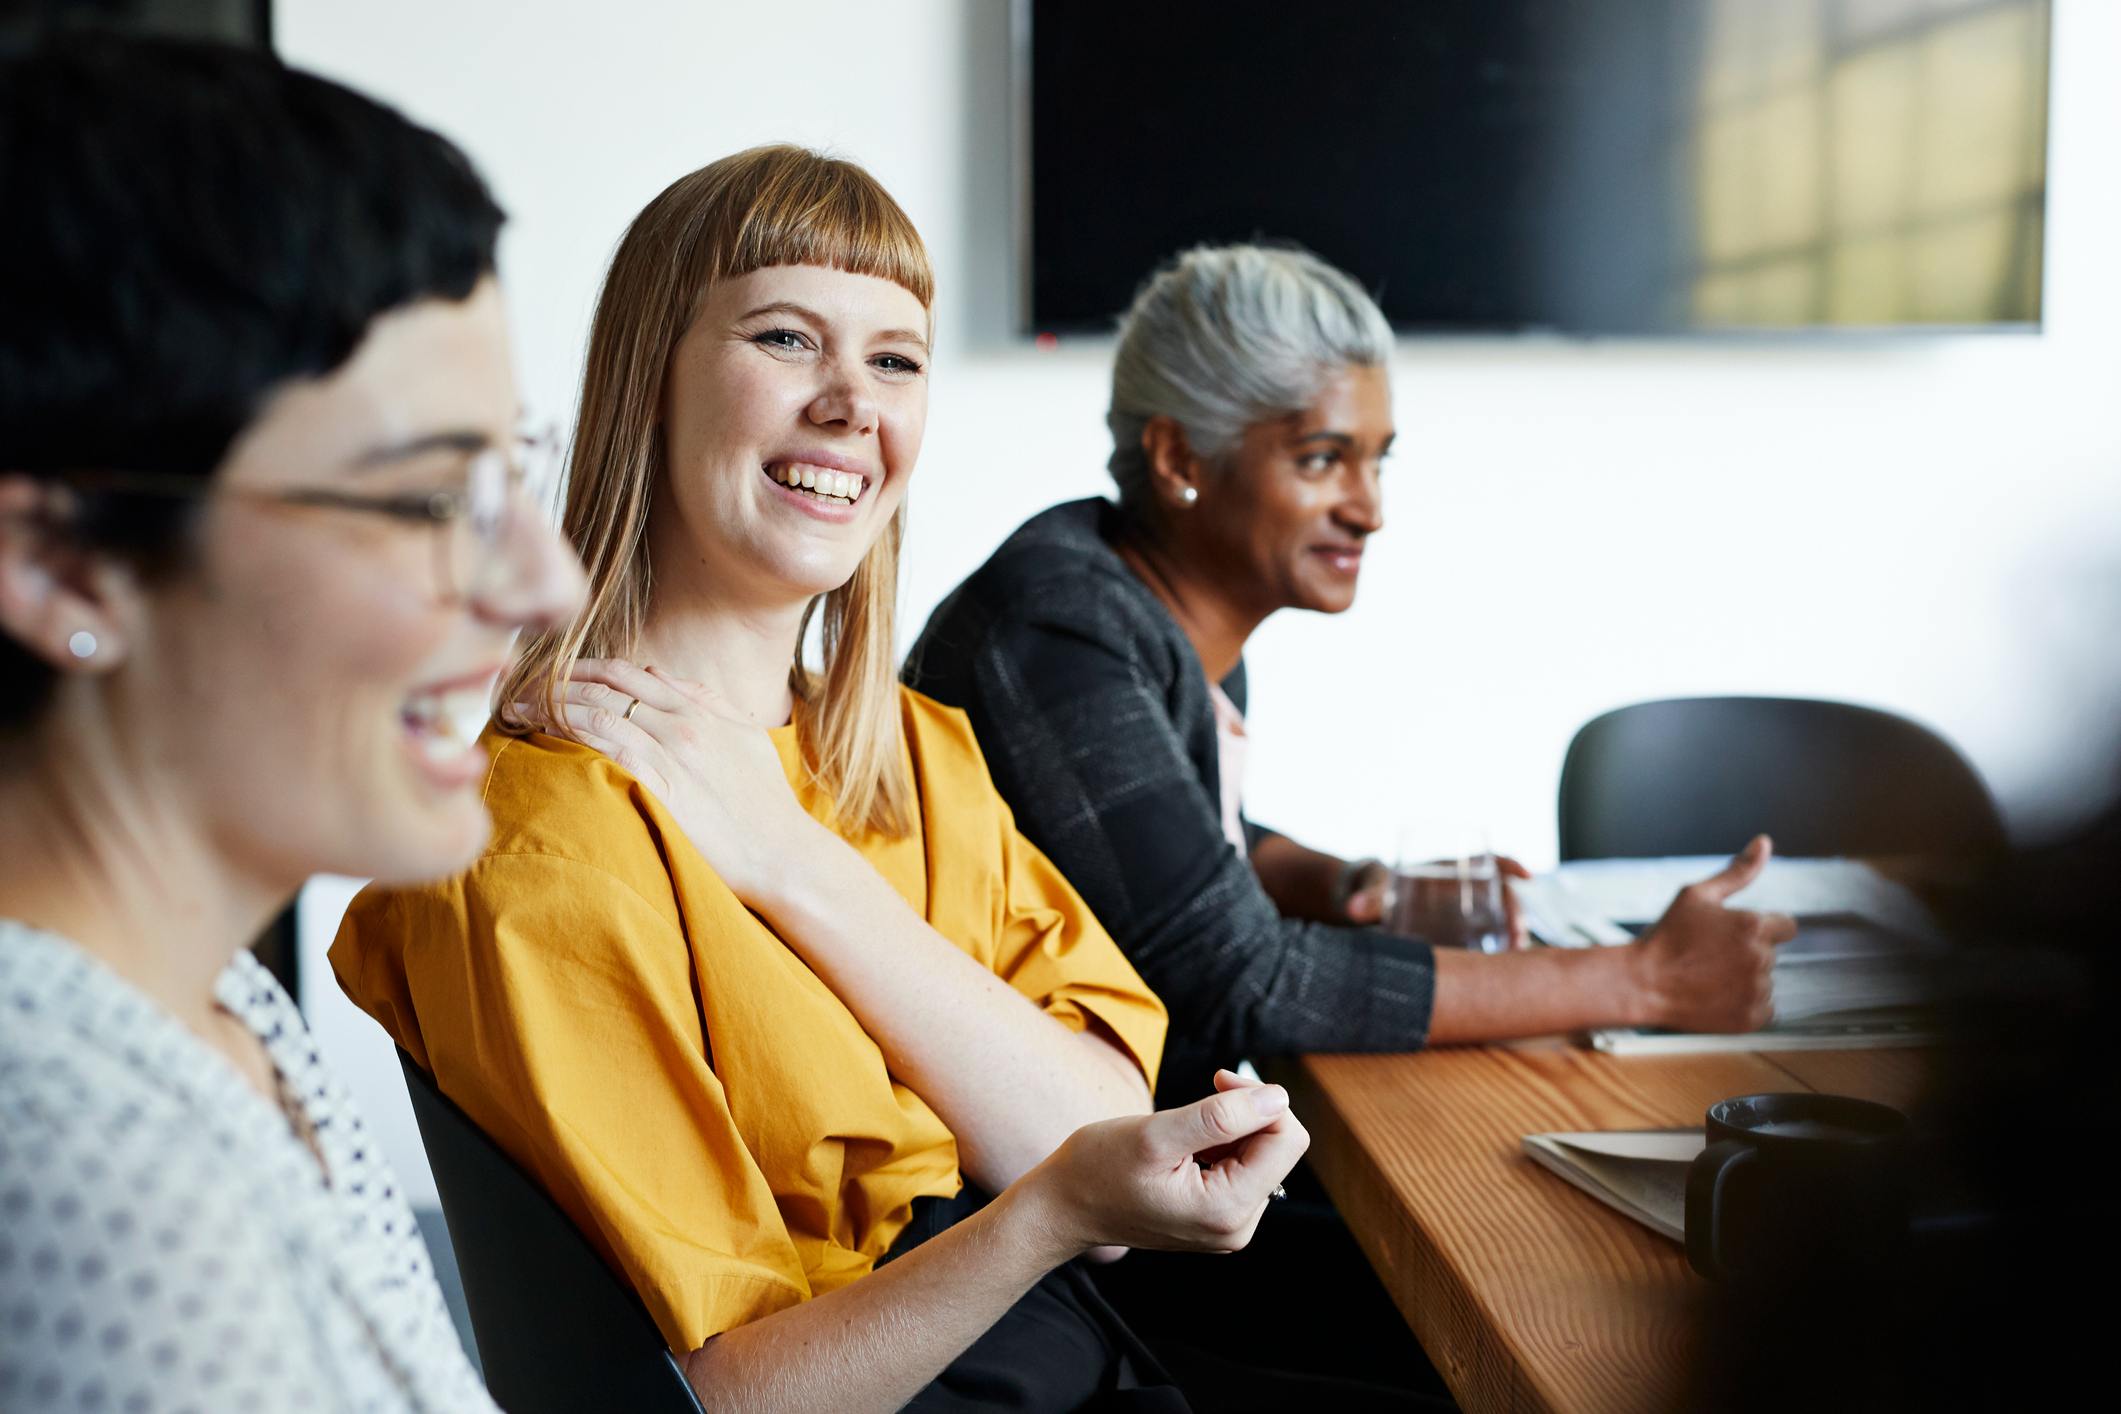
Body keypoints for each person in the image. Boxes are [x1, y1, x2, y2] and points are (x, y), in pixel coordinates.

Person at [330, 148, 1324, 1414]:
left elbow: (1094, 1117)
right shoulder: (537, 849)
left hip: (1082, 1352)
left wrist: (793, 866)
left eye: (896, 358)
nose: (855, 404)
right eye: (788, 338)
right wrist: (1049, 1212)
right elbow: (731, 1398)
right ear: (652, 382)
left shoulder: (913, 751)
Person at [0, 36, 586, 1413]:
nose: (545, 584)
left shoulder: (219, 1004)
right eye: (427, 500)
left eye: (510, 473)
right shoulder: (79, 1165)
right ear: (63, 565)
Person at [907, 242, 1798, 1112]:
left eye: (1377, 459)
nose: (1369, 509)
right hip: (1046, 1226)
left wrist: (1351, 886)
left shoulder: (1143, 610)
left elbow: (1167, 850)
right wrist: (1639, 978)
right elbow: (1237, 981)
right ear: (1180, 460)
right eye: (1321, 459)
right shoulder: (1061, 633)